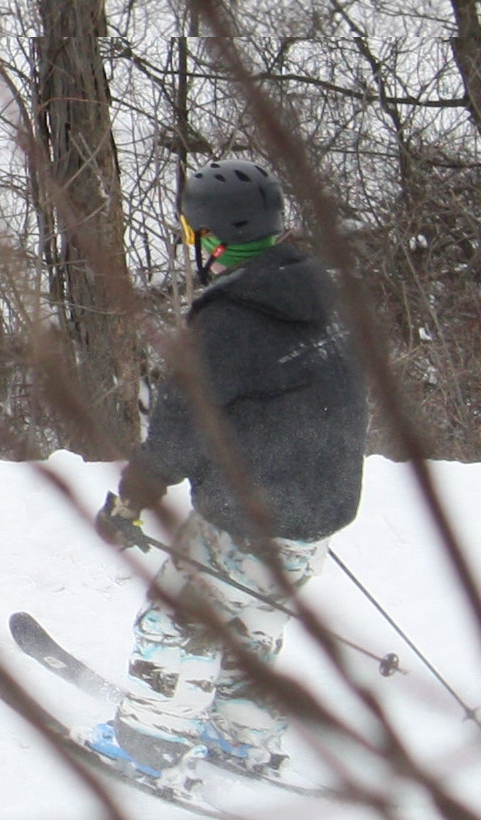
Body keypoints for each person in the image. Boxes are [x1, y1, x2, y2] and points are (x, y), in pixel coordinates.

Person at [91, 158, 370, 784]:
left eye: (192, 235)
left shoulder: (229, 322)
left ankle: (151, 742)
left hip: (253, 512)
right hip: (318, 509)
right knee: (253, 619)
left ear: (211, 239)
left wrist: (132, 500)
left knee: (180, 619)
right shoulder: (319, 295)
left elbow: (180, 430)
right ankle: (243, 734)